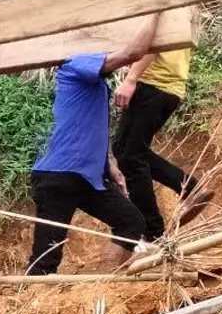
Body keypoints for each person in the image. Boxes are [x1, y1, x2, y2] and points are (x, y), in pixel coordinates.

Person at [27, 14, 159, 275]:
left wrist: (110, 163)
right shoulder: (75, 62)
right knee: (45, 260)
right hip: (59, 176)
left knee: (131, 221)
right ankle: (27, 303)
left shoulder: (94, 82)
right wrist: (157, 10)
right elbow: (133, 52)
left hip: (87, 178)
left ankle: (108, 280)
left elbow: (90, 125)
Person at [111, 0, 212, 239]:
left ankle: (152, 232)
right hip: (170, 82)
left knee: (128, 154)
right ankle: (188, 188)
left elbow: (155, 36)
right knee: (127, 150)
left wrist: (131, 77)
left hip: (155, 79)